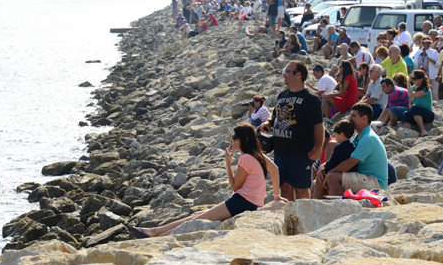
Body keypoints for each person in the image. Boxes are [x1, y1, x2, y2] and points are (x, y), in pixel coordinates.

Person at [131, 124, 282, 237]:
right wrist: (276, 196)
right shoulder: (257, 154)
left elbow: (235, 186)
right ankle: (153, 231)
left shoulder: (246, 158)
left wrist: (228, 163)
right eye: (232, 136)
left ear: (245, 139)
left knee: (196, 221)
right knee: (195, 216)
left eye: (235, 137)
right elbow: (274, 169)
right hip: (249, 203)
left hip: (241, 203)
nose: (232, 139)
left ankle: (157, 238)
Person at [260, 61, 324, 201]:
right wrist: (268, 122)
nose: (284, 75)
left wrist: (318, 148)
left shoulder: (310, 98)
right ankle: (290, 219)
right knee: (285, 187)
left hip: (300, 152)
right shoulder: (282, 95)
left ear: (298, 74)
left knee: (301, 190)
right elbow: (275, 115)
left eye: (287, 72)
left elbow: (318, 126)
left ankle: (304, 220)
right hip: (280, 152)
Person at [325, 103, 388, 194]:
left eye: (353, 116)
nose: (349, 118)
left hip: (375, 183)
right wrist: (323, 169)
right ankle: (315, 207)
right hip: (365, 178)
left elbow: (349, 163)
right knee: (319, 180)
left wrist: (329, 172)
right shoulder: (358, 137)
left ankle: (338, 206)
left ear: (364, 118)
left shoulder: (367, 138)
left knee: (332, 177)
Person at [312, 119, 356, 199]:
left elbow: (331, 162)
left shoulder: (336, 146)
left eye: (336, 134)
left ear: (342, 134)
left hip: (340, 175)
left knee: (320, 179)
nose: (335, 137)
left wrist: (325, 169)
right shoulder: (353, 146)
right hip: (349, 173)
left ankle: (317, 204)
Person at [404, 69, 435, 137]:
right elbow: (410, 103)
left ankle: (423, 130)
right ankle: (407, 133)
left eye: (415, 78)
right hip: (417, 113)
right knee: (407, 113)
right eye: (412, 78)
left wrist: (408, 83)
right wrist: (411, 108)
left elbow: (410, 95)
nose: (413, 80)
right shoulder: (412, 88)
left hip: (428, 114)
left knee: (415, 108)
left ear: (421, 79)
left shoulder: (425, 89)